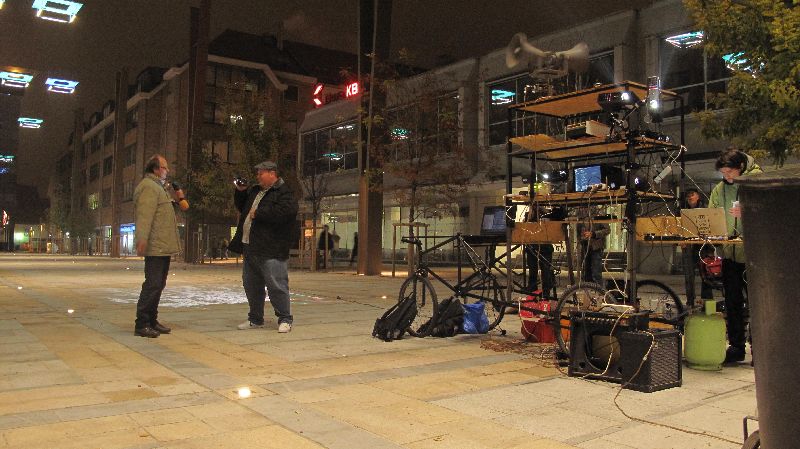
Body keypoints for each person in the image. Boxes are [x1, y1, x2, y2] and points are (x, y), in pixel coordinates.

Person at [229, 161, 298, 333]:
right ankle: (255, 318)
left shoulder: (284, 192)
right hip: (251, 246)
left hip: (272, 248)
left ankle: (285, 318)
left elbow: (287, 213)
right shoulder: (255, 191)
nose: (257, 176)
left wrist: (259, 213)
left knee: (276, 284)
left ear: (272, 173)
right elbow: (243, 207)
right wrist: (240, 191)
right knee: (251, 284)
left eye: (261, 173)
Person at [709, 148, 761, 363]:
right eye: (723, 173)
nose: (727, 176)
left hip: (754, 255)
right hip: (729, 253)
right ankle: (736, 346)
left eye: (730, 172)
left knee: (758, 303)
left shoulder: (757, 182)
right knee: (732, 302)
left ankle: (760, 349)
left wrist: (748, 210)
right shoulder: (719, 189)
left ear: (741, 167)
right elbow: (711, 214)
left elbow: (770, 210)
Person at [133, 154, 187, 338]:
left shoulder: (159, 188)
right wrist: (142, 238)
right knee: (153, 284)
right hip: (155, 245)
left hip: (162, 245)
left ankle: (152, 320)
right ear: (155, 169)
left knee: (159, 284)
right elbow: (144, 215)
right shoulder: (149, 187)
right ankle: (142, 323)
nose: (167, 170)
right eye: (164, 167)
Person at [683, 188, 714, 302]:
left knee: (705, 274)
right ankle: (690, 300)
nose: (690, 197)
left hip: (704, 246)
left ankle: (706, 300)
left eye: (692, 195)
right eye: (688, 196)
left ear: (698, 196)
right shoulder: (684, 209)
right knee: (688, 275)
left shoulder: (705, 208)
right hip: (689, 245)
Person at [523, 208, 555, 298]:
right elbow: (524, 229)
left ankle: (545, 295)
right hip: (532, 247)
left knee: (545, 272)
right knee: (533, 272)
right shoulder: (528, 215)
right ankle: (533, 294)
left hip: (545, 248)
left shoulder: (548, 214)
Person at [576, 220, 610, 285]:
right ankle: (587, 288)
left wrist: (594, 234)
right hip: (584, 246)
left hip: (596, 247)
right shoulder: (581, 216)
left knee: (596, 273)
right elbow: (579, 231)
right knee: (585, 273)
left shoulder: (600, 216)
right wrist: (580, 240)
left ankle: (598, 289)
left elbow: (607, 230)